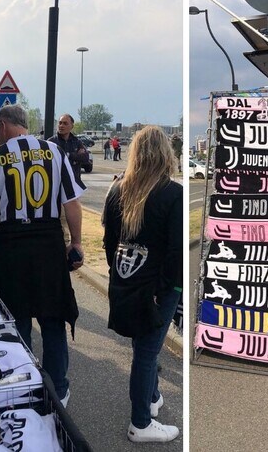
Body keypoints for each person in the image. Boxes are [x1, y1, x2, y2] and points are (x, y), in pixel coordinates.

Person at [0, 105, 84, 407]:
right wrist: (77, 243)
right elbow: (71, 203)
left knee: (17, 318)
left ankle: (22, 385)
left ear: (5, 125)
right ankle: (59, 389)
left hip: (12, 243)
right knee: (52, 318)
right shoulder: (55, 153)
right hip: (48, 243)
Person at [103, 126, 182, 443]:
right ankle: (140, 423)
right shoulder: (172, 193)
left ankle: (150, 397)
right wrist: (169, 289)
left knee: (143, 347)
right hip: (156, 289)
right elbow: (176, 252)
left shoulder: (116, 189)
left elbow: (110, 242)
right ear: (166, 154)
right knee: (146, 353)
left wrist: (119, 274)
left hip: (126, 281)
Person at [49, 113, 90, 186]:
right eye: (60, 123)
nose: (61, 126)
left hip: (74, 184)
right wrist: (76, 156)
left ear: (72, 126)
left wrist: (69, 155)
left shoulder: (77, 142)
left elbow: (86, 158)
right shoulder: (51, 142)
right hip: (56, 184)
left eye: (65, 123)